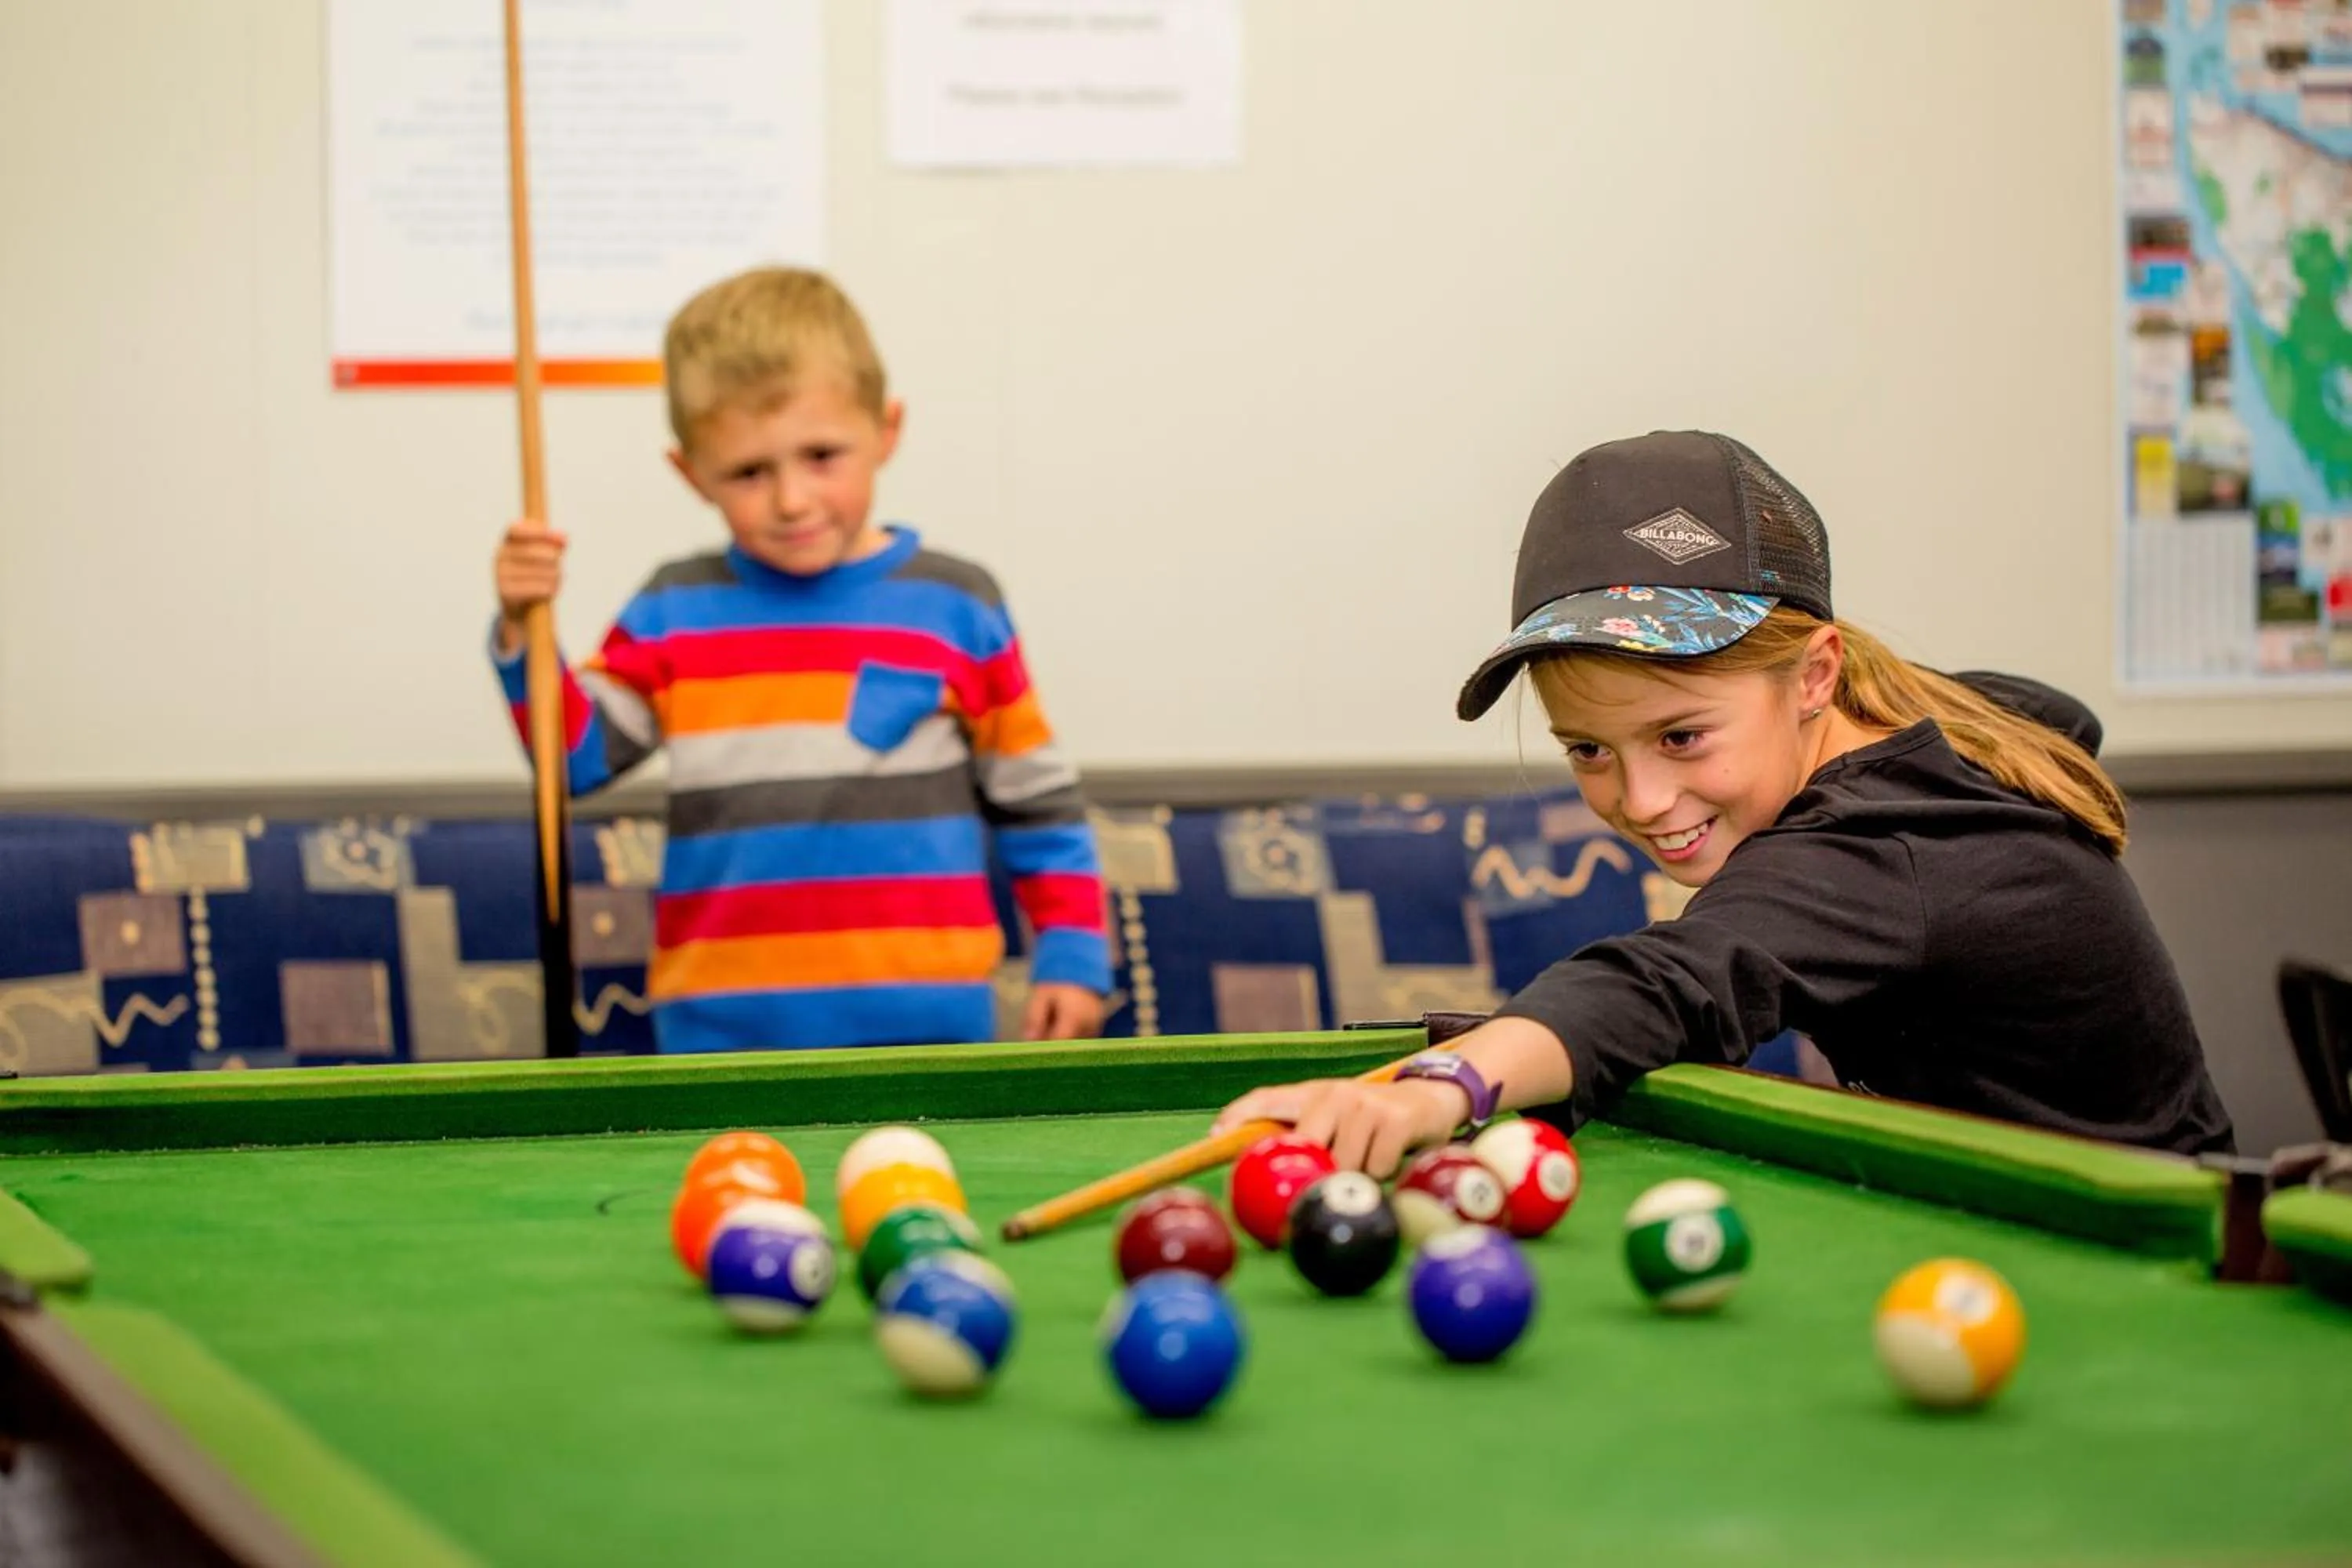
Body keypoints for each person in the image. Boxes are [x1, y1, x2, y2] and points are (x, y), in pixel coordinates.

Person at [1215, 430, 2234, 1167]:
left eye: (1681, 737)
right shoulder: (1918, 726)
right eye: (1588, 749)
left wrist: (1450, 1085)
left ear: (1815, 675)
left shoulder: (1877, 844)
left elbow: (1675, 978)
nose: (1642, 799)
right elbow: (2055, 715)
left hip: (2157, 1273)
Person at [491, 267, 1109, 1052]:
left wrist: (1073, 954)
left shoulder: (958, 605)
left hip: (931, 1038)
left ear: (886, 431)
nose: (791, 500)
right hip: (720, 1044)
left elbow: (1038, 804)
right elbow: (574, 760)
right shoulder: (672, 610)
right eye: (749, 472)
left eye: (822, 455)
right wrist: (524, 628)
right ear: (691, 473)